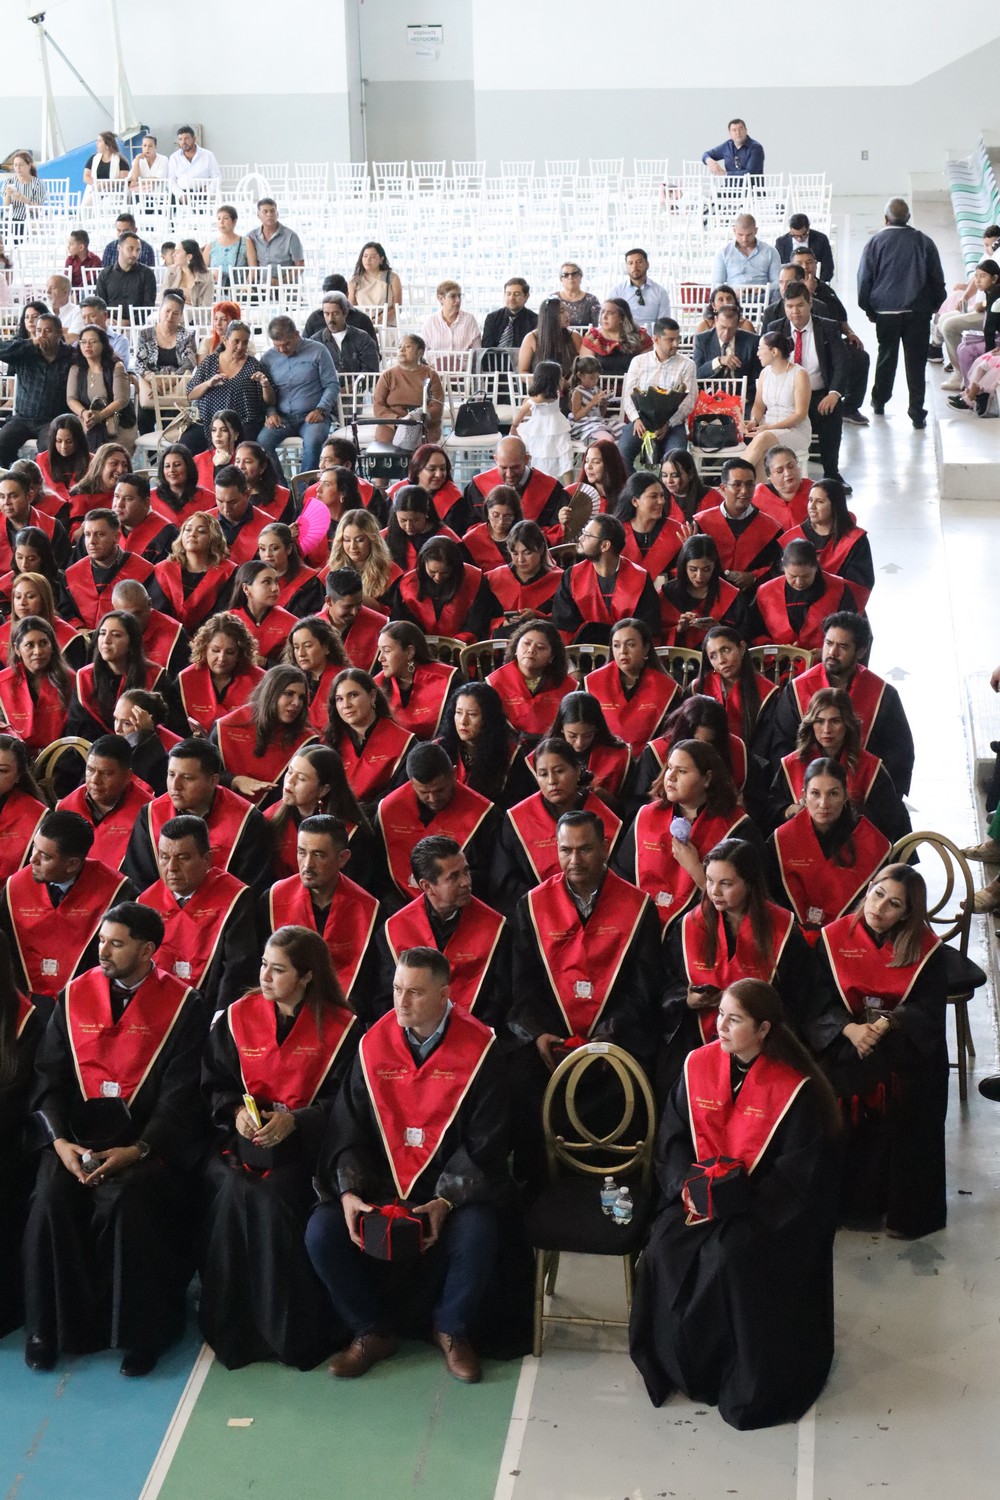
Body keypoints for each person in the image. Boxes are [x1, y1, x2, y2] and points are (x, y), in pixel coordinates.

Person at [630, 978, 839, 1430]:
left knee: (729, 1255)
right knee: (664, 1245)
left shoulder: (793, 1088)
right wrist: (687, 1188)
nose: (720, 1026)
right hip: (697, 1194)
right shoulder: (697, 1066)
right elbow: (672, 1140)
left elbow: (797, 1174)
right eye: (721, 1014)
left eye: (734, 1019)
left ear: (764, 1029)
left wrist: (738, 1202)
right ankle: (682, 1365)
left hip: (762, 1209)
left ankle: (734, 1373)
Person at [305, 946, 511, 1383]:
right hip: (381, 1181)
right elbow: (348, 1127)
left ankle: (451, 1329)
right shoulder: (372, 1045)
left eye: (415, 992)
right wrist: (349, 1192)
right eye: (397, 989)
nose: (401, 1001)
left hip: (447, 1185)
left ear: (444, 995)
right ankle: (370, 1330)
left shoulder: (481, 1049)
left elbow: (487, 1141)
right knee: (321, 1231)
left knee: (478, 1231)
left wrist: (445, 1200)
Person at [22, 901, 206, 1377]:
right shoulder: (73, 995)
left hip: (143, 1143)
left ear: (147, 950)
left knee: (128, 1203)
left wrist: (138, 1149)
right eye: (102, 939)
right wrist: (59, 1144)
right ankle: (47, 1328)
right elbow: (48, 1078)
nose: (102, 950)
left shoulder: (184, 1006)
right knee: (49, 1200)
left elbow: (180, 1095)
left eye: (116, 943)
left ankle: (142, 1334)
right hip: (75, 1140)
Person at [199, 925, 357, 1369]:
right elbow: (215, 1083)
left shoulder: (342, 1028)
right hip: (245, 1146)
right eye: (264, 965)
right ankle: (234, 1329)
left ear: (307, 976)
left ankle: (289, 1333)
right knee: (231, 1190)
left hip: (309, 1152)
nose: (265, 977)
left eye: (278, 969)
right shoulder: (237, 1017)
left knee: (273, 1197)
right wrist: (236, 1112)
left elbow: (348, 1102)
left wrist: (297, 1121)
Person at [507, 809, 660, 1181]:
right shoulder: (532, 906)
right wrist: (539, 1034)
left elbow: (643, 987)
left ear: (604, 847)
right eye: (566, 850)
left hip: (618, 1031)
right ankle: (542, 1186)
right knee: (519, 1081)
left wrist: (609, 1036)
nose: (574, 859)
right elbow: (523, 984)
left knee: (631, 1079)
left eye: (585, 849)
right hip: (552, 1035)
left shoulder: (638, 906)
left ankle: (618, 1183)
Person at [809, 866, 954, 1238]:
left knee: (914, 1092)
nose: (880, 908)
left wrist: (890, 1022)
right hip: (846, 1038)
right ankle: (848, 1206)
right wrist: (850, 1029)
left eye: (894, 904)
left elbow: (927, 1011)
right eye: (878, 894)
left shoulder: (926, 950)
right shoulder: (833, 938)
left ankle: (907, 1212)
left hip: (901, 1044)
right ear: (868, 889)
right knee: (831, 1085)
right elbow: (815, 1000)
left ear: (907, 913)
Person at [615, 740, 756, 935]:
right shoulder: (645, 817)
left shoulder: (737, 827)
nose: (671, 777)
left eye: (681, 771)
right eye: (669, 768)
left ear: (707, 778)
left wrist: (695, 868)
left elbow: (747, 900)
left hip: (705, 929)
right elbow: (621, 878)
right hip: (643, 926)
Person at [770, 612, 915, 796]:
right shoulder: (797, 690)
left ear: (861, 651)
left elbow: (899, 754)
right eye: (829, 643)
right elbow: (781, 748)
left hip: (862, 796)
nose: (832, 653)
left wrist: (879, 795)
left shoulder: (883, 695)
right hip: (809, 795)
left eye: (843, 646)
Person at [379, 836, 510, 1034]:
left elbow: (500, 999)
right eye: (453, 877)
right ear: (427, 886)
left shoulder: (497, 927)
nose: (466, 882)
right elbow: (385, 999)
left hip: (478, 1034)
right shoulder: (393, 930)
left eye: (466, 871)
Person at [0, 809, 134, 998]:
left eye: (45, 857)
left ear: (72, 864)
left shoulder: (118, 893)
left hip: (87, 998)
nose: (32, 860)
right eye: (34, 848)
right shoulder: (14, 889)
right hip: (21, 1000)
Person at [137, 814, 258, 1014]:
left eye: (183, 858)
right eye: (164, 857)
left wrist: (219, 1021)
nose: (172, 868)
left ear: (207, 859)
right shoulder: (145, 903)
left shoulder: (236, 898)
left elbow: (237, 970)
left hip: (210, 1010)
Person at [123, 736, 269, 896]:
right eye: (171, 775)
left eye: (187, 778)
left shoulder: (247, 820)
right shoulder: (150, 815)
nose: (175, 786)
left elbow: (250, 889)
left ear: (213, 781)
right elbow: (139, 882)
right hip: (160, 908)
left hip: (224, 908)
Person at [765, 757, 890, 943]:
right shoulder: (779, 841)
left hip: (851, 940)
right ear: (804, 795)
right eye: (815, 793)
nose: (823, 804)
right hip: (790, 939)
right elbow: (771, 900)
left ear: (846, 795)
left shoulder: (871, 843)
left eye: (833, 794)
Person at [264, 813, 379, 1009]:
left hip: (345, 1011)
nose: (307, 865)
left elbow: (369, 983)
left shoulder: (369, 910)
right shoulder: (271, 900)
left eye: (318, 855)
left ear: (343, 858)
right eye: (301, 852)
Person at [492, 737, 622, 913]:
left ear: (577, 770)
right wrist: (546, 908)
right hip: (539, 915)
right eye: (543, 774)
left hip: (599, 911)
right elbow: (507, 884)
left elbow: (619, 877)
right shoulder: (517, 820)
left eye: (559, 771)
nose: (552, 781)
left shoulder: (606, 816)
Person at [770, 688, 911, 843]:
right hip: (802, 847)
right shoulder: (792, 764)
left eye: (835, 721)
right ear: (811, 724)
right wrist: (790, 810)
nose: (827, 730)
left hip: (856, 846)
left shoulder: (870, 767)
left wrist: (847, 813)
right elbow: (771, 809)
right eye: (819, 721)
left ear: (847, 724)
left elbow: (888, 818)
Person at [857, 198, 946, 428]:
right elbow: (937, 278)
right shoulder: (924, 242)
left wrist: (868, 308)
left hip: (886, 311)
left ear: (886, 218)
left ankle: (879, 400)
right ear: (908, 218)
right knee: (916, 362)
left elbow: (864, 279)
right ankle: (916, 411)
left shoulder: (875, 242)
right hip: (918, 312)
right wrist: (935, 304)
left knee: (887, 356)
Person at [766, 281, 848, 485]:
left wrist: (834, 393)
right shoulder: (776, 329)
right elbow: (766, 364)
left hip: (819, 394)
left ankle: (832, 473)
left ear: (810, 303)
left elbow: (841, 364)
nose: (795, 312)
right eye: (789, 306)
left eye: (800, 305)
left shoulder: (827, 327)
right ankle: (777, 476)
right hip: (787, 398)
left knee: (833, 411)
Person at [552, 514, 661, 644]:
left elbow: (648, 630)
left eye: (587, 535)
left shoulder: (639, 579)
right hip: (583, 650)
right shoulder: (572, 576)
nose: (580, 538)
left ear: (605, 545)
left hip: (626, 651)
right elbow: (563, 627)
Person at [55, 735, 154, 872]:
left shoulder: (149, 813)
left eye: (106, 773)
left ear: (127, 776)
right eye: (90, 770)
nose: (95, 780)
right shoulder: (67, 807)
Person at [585, 617, 679, 758]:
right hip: (603, 758)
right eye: (616, 645)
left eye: (630, 645)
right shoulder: (593, 683)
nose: (623, 651)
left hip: (649, 760)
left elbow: (670, 736)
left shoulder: (666, 688)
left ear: (646, 648)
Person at [256, 316, 339, 472]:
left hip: (313, 415)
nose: (282, 350)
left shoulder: (318, 350)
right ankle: (279, 485)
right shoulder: (268, 358)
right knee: (262, 442)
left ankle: (303, 485)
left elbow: (332, 385)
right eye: (277, 346)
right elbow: (264, 392)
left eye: (286, 344)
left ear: (296, 334)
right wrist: (271, 412)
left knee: (313, 442)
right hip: (282, 417)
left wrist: (321, 409)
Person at [323, 668, 414, 806]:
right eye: (339, 699)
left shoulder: (405, 743)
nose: (346, 705)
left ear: (372, 696)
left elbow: (400, 794)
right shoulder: (332, 741)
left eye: (353, 695)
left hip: (381, 815)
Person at [778, 478, 874, 609]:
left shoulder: (854, 540)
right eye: (810, 500)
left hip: (839, 610)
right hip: (796, 610)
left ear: (835, 505)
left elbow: (859, 586)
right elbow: (780, 584)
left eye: (820, 501)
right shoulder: (792, 538)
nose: (812, 506)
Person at [693, 457, 782, 593]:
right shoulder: (700, 523)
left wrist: (754, 576)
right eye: (737, 484)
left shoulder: (772, 528)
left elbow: (779, 568)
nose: (744, 491)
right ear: (723, 488)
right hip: (709, 594)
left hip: (754, 597)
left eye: (750, 484)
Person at [437, 681, 533, 806]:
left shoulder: (511, 755)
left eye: (472, 714)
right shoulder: (439, 749)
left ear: (489, 718)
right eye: (459, 713)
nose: (463, 721)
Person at [751, 539, 858, 650]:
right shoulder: (765, 592)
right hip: (776, 659)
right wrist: (776, 649)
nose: (799, 583)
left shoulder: (839, 589)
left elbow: (852, 632)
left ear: (816, 564)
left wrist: (826, 651)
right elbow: (754, 632)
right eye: (792, 576)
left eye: (806, 576)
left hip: (826, 658)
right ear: (783, 565)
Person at [619, 317, 696, 468]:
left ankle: (665, 484)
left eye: (678, 339)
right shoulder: (638, 362)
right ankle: (635, 484)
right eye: (670, 340)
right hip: (642, 421)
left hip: (673, 424)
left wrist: (668, 424)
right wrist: (635, 419)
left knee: (676, 459)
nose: (676, 344)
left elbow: (688, 401)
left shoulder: (687, 365)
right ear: (656, 339)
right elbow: (628, 396)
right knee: (621, 454)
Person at [0, 314, 75, 467]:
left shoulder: (71, 356)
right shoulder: (25, 352)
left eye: (48, 331)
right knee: (2, 443)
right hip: (22, 418)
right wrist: (30, 343)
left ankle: (37, 477)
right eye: (39, 330)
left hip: (52, 420)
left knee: (50, 450)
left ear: (59, 333)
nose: (42, 335)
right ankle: (13, 475)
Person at [487, 618, 579, 742]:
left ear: (552, 656)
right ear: (515, 648)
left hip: (553, 747)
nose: (531, 650)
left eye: (540, 647)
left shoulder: (568, 687)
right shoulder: (495, 682)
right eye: (526, 643)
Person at [463, 436, 568, 537]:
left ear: (527, 459)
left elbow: (557, 531)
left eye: (515, 467)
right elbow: (468, 527)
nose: (509, 474)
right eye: (503, 468)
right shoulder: (478, 487)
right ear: (495, 459)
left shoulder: (551, 489)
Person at [64, 510, 154, 628]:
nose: (92, 541)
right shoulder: (72, 574)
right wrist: (80, 629)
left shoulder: (144, 570)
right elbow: (65, 611)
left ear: (116, 537)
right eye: (87, 534)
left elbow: (151, 614)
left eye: (100, 534)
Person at [740, 332, 812, 478]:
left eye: (760, 349)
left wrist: (769, 428)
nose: (758, 353)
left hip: (795, 431)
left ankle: (734, 478)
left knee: (762, 438)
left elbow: (800, 414)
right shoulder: (764, 373)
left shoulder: (800, 374)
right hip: (768, 430)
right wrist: (754, 421)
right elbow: (759, 406)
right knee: (761, 447)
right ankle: (759, 490)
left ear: (774, 351)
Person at [177, 610, 263, 733]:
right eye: (215, 650)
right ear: (204, 648)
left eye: (230, 652)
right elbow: (176, 727)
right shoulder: (185, 680)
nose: (221, 658)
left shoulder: (260, 681)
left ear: (240, 653)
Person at [152, 510, 236, 632]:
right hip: (169, 635)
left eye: (201, 531)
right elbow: (158, 612)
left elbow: (222, 614)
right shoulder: (164, 569)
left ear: (213, 538)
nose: (192, 534)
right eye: (188, 530)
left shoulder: (227, 572)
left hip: (211, 636)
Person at [659, 533, 747, 649]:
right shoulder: (667, 594)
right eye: (693, 569)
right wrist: (679, 630)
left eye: (706, 569)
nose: (699, 576)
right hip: (679, 657)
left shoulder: (732, 596)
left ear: (714, 566)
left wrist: (719, 629)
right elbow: (655, 638)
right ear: (683, 566)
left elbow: (745, 639)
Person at [0, 618, 74, 754]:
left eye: (43, 643)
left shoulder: (71, 680)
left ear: (52, 646)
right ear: (17, 649)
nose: (38, 651)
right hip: (14, 757)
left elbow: (76, 729)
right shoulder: (2, 682)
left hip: (62, 755)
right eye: (29, 645)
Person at [374, 621, 457, 740]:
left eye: (387, 651)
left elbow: (450, 731)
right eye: (380, 651)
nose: (380, 658)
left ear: (409, 652)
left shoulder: (448, 680)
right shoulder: (377, 685)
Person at [544, 690, 631, 798]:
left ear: (597, 728)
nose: (580, 743)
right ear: (561, 728)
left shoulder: (620, 757)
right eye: (572, 736)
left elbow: (632, 803)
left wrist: (610, 800)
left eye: (588, 735)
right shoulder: (543, 757)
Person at [66, 325, 135, 455]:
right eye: (83, 342)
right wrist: (84, 413)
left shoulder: (116, 366)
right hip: (87, 420)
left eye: (93, 342)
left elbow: (121, 400)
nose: (87, 346)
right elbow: (71, 398)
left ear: (103, 344)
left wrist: (100, 416)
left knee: (113, 455)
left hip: (117, 423)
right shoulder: (76, 369)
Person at [613, 472, 686, 592]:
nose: (661, 501)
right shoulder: (615, 532)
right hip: (621, 598)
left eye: (662, 495)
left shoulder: (678, 532)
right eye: (653, 496)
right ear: (635, 501)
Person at [485, 519, 562, 629]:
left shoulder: (560, 580)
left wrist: (538, 616)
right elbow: (482, 618)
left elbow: (564, 619)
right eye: (515, 553)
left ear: (541, 549)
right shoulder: (492, 578)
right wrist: (501, 623)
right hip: (502, 636)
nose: (521, 560)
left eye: (527, 553)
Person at [372, 334, 444, 446]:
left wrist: (416, 417)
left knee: (423, 448)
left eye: (407, 347)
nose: (402, 350)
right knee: (385, 443)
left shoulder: (431, 375)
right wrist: (398, 421)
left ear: (420, 353)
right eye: (399, 347)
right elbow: (378, 405)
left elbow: (437, 406)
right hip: (393, 424)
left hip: (422, 424)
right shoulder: (387, 375)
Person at [224, 559, 298, 665]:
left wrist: (266, 663)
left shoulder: (291, 622)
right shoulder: (227, 620)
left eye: (276, 582)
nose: (275, 588)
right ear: (246, 589)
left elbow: (297, 665)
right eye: (267, 582)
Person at [510, 360, 574, 480]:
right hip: (542, 429)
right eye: (560, 377)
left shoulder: (555, 393)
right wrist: (514, 426)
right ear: (551, 380)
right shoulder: (537, 398)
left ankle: (570, 487)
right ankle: (543, 480)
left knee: (564, 453)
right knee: (545, 452)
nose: (562, 379)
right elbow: (522, 412)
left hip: (557, 428)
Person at [691, 302, 761, 407]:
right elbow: (697, 374)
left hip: (742, 399)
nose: (726, 333)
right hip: (710, 399)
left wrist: (744, 399)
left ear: (738, 325)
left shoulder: (752, 341)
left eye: (731, 328)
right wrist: (719, 361)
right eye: (723, 327)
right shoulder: (702, 340)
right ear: (716, 320)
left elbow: (758, 377)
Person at [390, 444, 472, 531]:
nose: (439, 474)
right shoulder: (398, 493)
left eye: (443, 468)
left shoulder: (454, 501)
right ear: (417, 470)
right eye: (432, 469)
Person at [324, 566, 385, 672]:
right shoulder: (312, 628)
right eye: (347, 607)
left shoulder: (381, 626)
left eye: (359, 604)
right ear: (329, 601)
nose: (354, 612)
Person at [711, 215, 781, 295]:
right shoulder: (723, 253)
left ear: (756, 231)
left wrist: (763, 289)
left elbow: (777, 282)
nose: (744, 239)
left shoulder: (770, 251)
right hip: (733, 296)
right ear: (734, 231)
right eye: (740, 235)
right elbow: (716, 283)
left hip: (762, 296)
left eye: (749, 234)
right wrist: (731, 292)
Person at [94, 233, 157, 321]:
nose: (135, 254)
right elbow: (100, 304)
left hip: (138, 325)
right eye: (130, 249)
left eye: (138, 250)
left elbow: (148, 306)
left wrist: (129, 322)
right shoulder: (105, 274)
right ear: (119, 248)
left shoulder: (147, 274)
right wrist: (108, 320)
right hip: (110, 323)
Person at [581, 299, 653, 376]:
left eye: (610, 313)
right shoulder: (592, 338)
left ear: (622, 318)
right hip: (598, 382)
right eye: (603, 312)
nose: (604, 317)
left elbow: (647, 369)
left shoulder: (640, 337)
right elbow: (586, 372)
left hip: (631, 382)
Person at [518, 297, 583, 382]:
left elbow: (583, 366)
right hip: (541, 387)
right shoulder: (531, 338)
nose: (567, 315)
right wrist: (544, 381)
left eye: (566, 310)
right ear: (550, 316)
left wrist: (569, 382)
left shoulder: (574, 336)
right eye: (561, 312)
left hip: (570, 387)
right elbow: (522, 373)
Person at [314, 291, 380, 374]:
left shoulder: (362, 338)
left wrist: (354, 383)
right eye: (327, 314)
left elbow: (370, 371)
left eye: (335, 313)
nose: (331, 319)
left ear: (345, 313)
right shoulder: (315, 341)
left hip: (358, 382)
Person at [609, 247, 671, 331]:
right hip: (624, 336)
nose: (634, 266)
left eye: (639, 262)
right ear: (626, 267)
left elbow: (664, 323)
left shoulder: (660, 292)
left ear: (647, 264)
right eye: (630, 263)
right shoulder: (616, 292)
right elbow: (611, 321)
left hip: (650, 337)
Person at [461, 485, 522, 571]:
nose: (501, 522)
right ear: (487, 512)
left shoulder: (523, 536)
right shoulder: (471, 539)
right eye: (495, 515)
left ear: (515, 515)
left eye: (507, 516)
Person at [246, 197, 305, 274]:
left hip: (284, 280)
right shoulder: (251, 236)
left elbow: (300, 266)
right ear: (258, 215)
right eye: (265, 211)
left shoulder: (291, 236)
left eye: (272, 211)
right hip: (260, 281)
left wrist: (281, 280)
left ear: (277, 214)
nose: (269, 214)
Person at [348, 241, 402, 322]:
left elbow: (397, 308)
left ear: (381, 259)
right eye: (365, 256)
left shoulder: (392, 278)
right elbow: (352, 308)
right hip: (363, 324)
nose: (368, 260)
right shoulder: (355, 281)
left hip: (387, 323)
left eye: (372, 257)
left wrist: (379, 320)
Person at [201, 205, 257, 283]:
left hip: (240, 288)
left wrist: (247, 285)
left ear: (234, 221)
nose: (221, 222)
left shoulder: (246, 242)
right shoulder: (211, 245)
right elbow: (202, 271)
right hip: (216, 288)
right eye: (219, 218)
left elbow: (253, 269)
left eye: (226, 218)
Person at [421, 280, 482, 352]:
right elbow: (423, 351)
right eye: (452, 296)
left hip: (463, 360)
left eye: (459, 296)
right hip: (436, 360)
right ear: (441, 299)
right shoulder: (430, 322)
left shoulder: (469, 319)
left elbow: (477, 351)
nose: (458, 300)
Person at [482, 277, 538, 350]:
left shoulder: (536, 320)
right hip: (494, 357)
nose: (511, 298)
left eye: (516, 294)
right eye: (508, 294)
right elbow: (485, 349)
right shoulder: (492, 318)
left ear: (526, 296)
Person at [776, 213, 834, 283]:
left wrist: (819, 284)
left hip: (814, 280)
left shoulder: (821, 239)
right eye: (794, 235)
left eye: (803, 235)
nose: (799, 239)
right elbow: (778, 268)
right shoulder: (781, 243)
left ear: (808, 228)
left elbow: (828, 266)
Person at [167, 125, 221, 192]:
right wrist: (180, 195)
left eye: (186, 138)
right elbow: (171, 181)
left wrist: (208, 190)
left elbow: (217, 177)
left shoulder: (208, 155)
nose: (183, 142)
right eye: (180, 139)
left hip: (202, 193)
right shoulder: (174, 157)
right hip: (181, 193)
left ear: (194, 139)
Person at [163, 240, 214, 307]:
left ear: (189, 257)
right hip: (172, 311)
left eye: (177, 252)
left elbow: (206, 306)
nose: (173, 255)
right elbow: (162, 298)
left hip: (195, 312)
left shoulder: (207, 276)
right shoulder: (171, 272)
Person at [552, 263, 602, 327]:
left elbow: (597, 327)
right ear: (561, 279)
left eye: (574, 273)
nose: (570, 277)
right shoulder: (553, 299)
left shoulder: (591, 300)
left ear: (581, 277)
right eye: (566, 275)